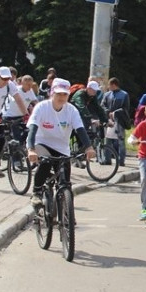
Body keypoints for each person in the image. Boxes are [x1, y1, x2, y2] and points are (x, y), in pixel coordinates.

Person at [26, 78, 95, 207]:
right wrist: (31, 149)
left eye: (65, 94)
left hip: (62, 148)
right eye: (58, 94)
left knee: (65, 183)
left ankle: (66, 213)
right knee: (46, 162)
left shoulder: (71, 110)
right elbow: (33, 129)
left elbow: (80, 129)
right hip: (42, 143)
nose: (62, 97)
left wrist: (89, 147)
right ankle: (37, 193)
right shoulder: (42, 107)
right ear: (52, 93)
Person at [0, 65, 28, 176]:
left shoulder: (9, 85)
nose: (6, 81)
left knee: (1, 140)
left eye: (8, 78)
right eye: (4, 78)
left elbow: (18, 99)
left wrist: (25, 114)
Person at [101, 77, 131, 166]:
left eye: (109, 85)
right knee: (108, 140)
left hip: (120, 121)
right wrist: (108, 112)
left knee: (121, 141)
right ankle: (107, 159)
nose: (108, 87)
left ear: (114, 85)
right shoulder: (107, 95)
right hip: (109, 120)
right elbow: (102, 105)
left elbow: (126, 108)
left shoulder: (124, 95)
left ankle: (121, 161)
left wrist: (115, 113)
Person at [2, 74, 37, 143]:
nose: (30, 87)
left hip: (21, 116)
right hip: (10, 116)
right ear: (22, 83)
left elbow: (35, 102)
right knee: (17, 138)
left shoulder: (30, 90)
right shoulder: (16, 91)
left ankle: (23, 145)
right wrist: (27, 114)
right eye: (28, 85)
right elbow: (19, 103)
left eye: (31, 85)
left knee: (30, 131)